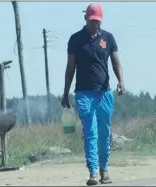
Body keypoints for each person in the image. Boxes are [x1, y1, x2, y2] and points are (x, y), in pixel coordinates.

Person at [61, 3, 125, 186]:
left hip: (104, 93)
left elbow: (116, 63)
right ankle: (93, 173)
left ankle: (105, 171)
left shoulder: (108, 38)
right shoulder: (75, 40)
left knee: (105, 132)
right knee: (90, 132)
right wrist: (65, 94)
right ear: (85, 19)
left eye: (97, 21)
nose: (95, 24)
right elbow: (70, 68)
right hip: (83, 94)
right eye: (92, 21)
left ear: (101, 21)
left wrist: (121, 81)